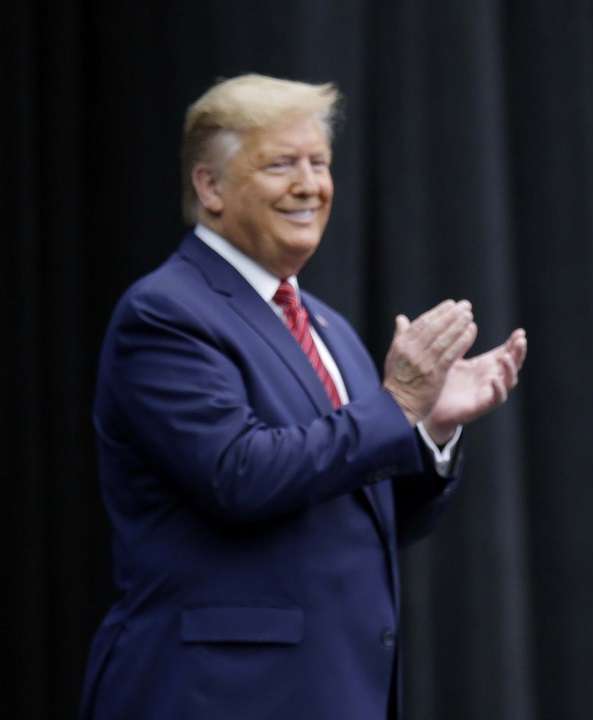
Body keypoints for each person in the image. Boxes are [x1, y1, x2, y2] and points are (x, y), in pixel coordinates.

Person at [80, 74, 527, 720]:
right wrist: (394, 406)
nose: (310, 185)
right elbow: (240, 474)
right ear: (210, 187)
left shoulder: (328, 329)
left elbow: (363, 517)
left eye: (320, 163)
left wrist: (427, 432)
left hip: (335, 692)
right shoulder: (164, 314)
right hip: (218, 697)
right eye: (281, 164)